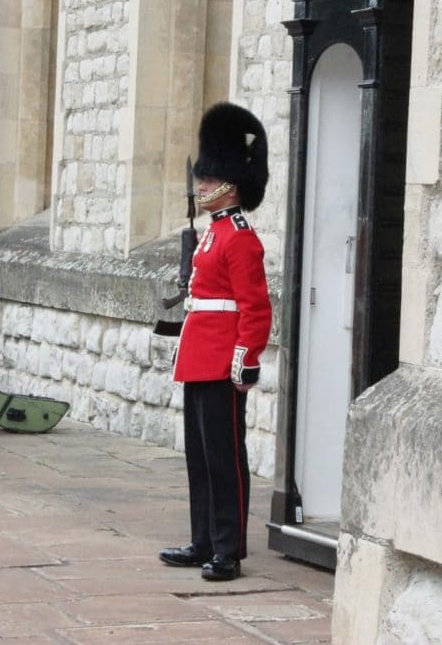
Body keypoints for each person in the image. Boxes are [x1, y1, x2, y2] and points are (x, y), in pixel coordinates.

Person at [159, 102, 272, 582]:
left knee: (226, 458)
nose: (201, 185)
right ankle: (203, 538)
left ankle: (229, 547)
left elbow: (255, 308)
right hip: (199, 356)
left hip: (223, 360)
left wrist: (245, 361)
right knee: (200, 456)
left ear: (230, 182)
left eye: (208, 178)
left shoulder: (241, 238)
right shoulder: (211, 236)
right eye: (201, 178)